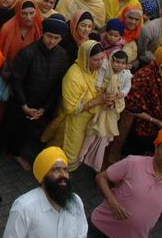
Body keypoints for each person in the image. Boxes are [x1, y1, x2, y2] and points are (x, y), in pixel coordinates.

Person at [0, 16, 70, 172]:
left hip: (39, 106)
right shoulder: (28, 53)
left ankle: (16, 153)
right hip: (19, 101)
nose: (52, 41)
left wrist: (44, 108)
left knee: (26, 132)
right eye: (49, 36)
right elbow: (16, 80)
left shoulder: (62, 56)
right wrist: (24, 105)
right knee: (7, 128)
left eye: (56, 38)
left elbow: (57, 85)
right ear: (43, 33)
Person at [92, 129, 162, 238]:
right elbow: (101, 177)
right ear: (156, 149)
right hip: (100, 228)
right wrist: (112, 202)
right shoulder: (133, 162)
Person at [43, 41, 116, 171]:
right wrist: (97, 101)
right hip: (72, 122)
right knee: (66, 150)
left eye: (102, 58)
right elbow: (70, 109)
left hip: (87, 121)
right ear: (85, 58)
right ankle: (49, 170)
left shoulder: (97, 71)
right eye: (96, 60)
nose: (100, 63)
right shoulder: (73, 76)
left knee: (72, 149)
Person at [3, 147, 88, 238]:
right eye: (56, 170)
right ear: (43, 176)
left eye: (65, 170)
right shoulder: (24, 208)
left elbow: (82, 233)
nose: (63, 175)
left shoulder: (76, 202)